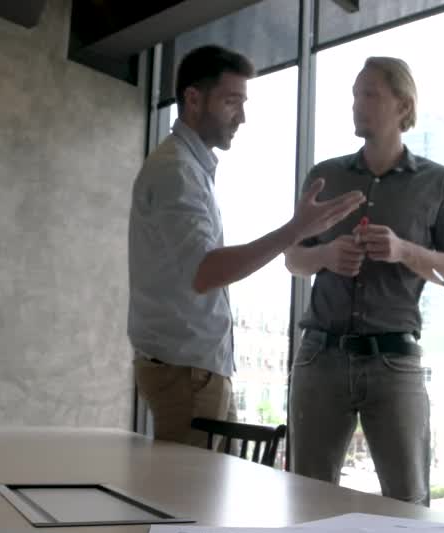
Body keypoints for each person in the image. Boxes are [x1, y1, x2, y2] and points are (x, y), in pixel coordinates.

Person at [129, 45, 365, 448]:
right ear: (193, 99)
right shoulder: (177, 170)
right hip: (185, 372)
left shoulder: (188, 167)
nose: (242, 116)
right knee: (192, 503)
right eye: (231, 101)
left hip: (193, 369)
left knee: (207, 497)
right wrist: (294, 230)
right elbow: (207, 272)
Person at [285, 57, 444, 507]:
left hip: (396, 362)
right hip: (320, 358)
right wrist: (327, 255)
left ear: (402, 104)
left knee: (409, 503)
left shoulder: (439, 184)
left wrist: (405, 250)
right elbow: (293, 258)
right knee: (306, 500)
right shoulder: (324, 176)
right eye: (354, 94)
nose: (357, 104)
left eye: (369, 94)